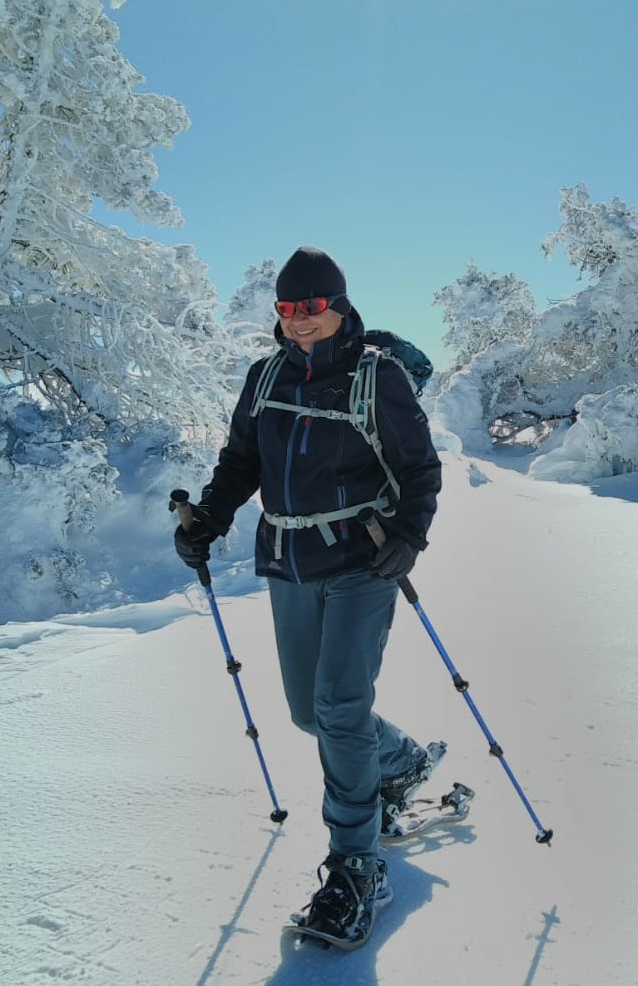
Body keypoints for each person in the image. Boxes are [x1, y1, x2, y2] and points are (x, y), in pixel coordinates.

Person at [172, 246, 443, 948]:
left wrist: (409, 535)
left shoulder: (376, 378)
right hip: (289, 558)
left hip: (362, 559)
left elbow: (419, 468)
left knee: (339, 707)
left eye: (311, 307)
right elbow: (241, 463)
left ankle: (356, 865)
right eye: (287, 309)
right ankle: (402, 761)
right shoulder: (265, 376)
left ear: (339, 305)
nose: (298, 321)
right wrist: (210, 515)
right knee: (306, 713)